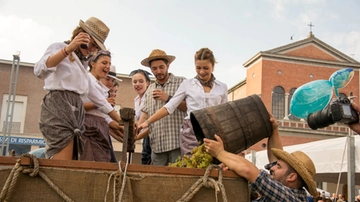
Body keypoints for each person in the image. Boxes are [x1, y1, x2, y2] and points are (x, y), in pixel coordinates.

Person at [34, 17, 121, 160]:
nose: (92, 50)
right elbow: (39, 71)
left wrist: (120, 120)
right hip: (58, 103)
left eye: (95, 47)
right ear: (81, 35)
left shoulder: (83, 63)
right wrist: (68, 49)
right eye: (91, 45)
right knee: (62, 155)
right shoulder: (59, 47)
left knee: (74, 157)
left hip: (76, 110)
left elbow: (98, 98)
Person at [203, 114, 318, 201]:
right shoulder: (289, 191)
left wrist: (219, 153)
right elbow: (274, 158)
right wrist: (273, 130)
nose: (272, 168)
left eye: (278, 166)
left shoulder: (289, 198)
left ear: (292, 177)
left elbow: (249, 171)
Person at [138, 48, 228, 156]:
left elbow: (225, 113)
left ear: (213, 67)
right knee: (190, 167)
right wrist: (147, 122)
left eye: (206, 68)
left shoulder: (222, 87)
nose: (202, 72)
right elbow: (169, 107)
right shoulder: (187, 84)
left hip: (213, 130)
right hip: (191, 131)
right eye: (198, 68)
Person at [137, 49, 187, 166]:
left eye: (161, 67)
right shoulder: (150, 89)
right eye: (154, 68)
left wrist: (168, 98)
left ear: (168, 65)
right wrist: (138, 128)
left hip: (177, 144)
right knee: (157, 182)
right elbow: (145, 113)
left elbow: (189, 107)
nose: (158, 71)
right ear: (150, 69)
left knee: (177, 180)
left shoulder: (182, 82)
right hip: (157, 146)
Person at [81, 50, 122, 162]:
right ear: (92, 63)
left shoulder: (101, 87)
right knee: (90, 161)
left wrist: (120, 127)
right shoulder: (87, 79)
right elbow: (78, 105)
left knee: (102, 160)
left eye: (109, 64)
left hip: (100, 127)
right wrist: (121, 122)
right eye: (104, 63)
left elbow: (105, 116)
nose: (107, 66)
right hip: (88, 126)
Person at [130, 69, 152, 164]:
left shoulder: (150, 97)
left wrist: (135, 136)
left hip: (151, 135)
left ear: (147, 83)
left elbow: (146, 120)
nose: (137, 84)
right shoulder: (136, 100)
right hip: (143, 136)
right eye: (135, 82)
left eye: (141, 81)